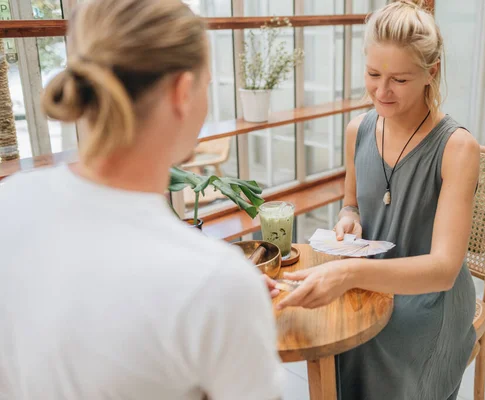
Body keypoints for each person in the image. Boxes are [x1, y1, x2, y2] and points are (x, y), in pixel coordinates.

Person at [0, 0, 284, 398]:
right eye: (206, 84)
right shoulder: (216, 285)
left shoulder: (9, 204)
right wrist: (223, 302)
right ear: (182, 92)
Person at [277, 1, 479, 399]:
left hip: (428, 299)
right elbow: (351, 203)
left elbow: (442, 270)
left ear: (430, 72)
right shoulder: (358, 130)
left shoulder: (457, 147)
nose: (381, 91)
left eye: (400, 80)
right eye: (373, 74)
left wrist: (349, 274)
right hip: (371, 283)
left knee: (376, 344)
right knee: (332, 332)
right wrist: (348, 217)